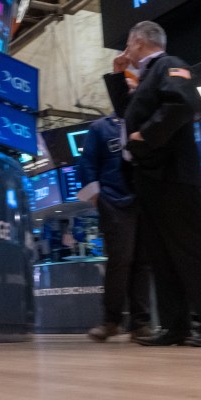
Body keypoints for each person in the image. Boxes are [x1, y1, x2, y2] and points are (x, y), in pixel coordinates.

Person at [108, 21, 201, 347]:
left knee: (191, 251)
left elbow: (181, 105)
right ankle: (175, 326)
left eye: (128, 46)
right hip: (150, 178)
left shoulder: (170, 64)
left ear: (137, 42)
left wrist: (143, 137)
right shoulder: (145, 77)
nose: (126, 51)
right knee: (162, 257)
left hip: (173, 176)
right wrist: (118, 76)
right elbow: (129, 113)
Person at [77, 107, 153, 343]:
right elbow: (87, 165)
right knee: (120, 260)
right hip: (113, 200)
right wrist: (98, 199)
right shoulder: (99, 128)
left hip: (142, 198)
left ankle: (140, 324)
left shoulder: (143, 122)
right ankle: (111, 321)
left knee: (142, 262)